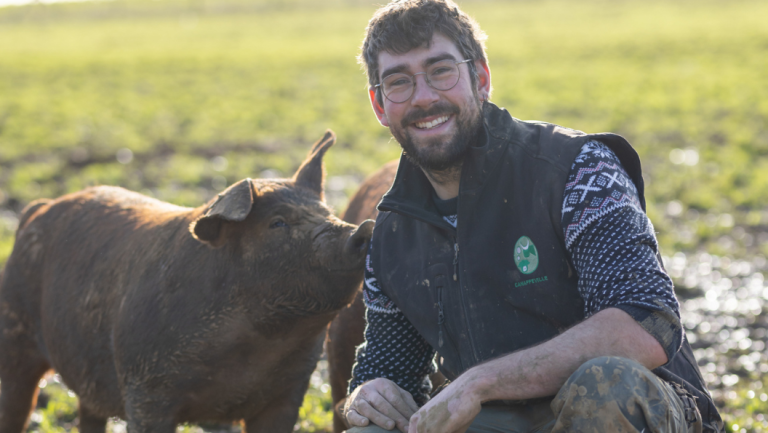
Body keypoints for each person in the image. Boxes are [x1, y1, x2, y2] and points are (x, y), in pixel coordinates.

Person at [342, 1, 723, 432]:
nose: (424, 97)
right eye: (399, 82)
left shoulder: (576, 170)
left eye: (441, 71)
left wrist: (479, 382)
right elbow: (389, 368)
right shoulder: (392, 234)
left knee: (605, 385)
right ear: (378, 105)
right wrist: (370, 393)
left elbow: (645, 322)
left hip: (632, 408)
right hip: (498, 418)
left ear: (481, 78)